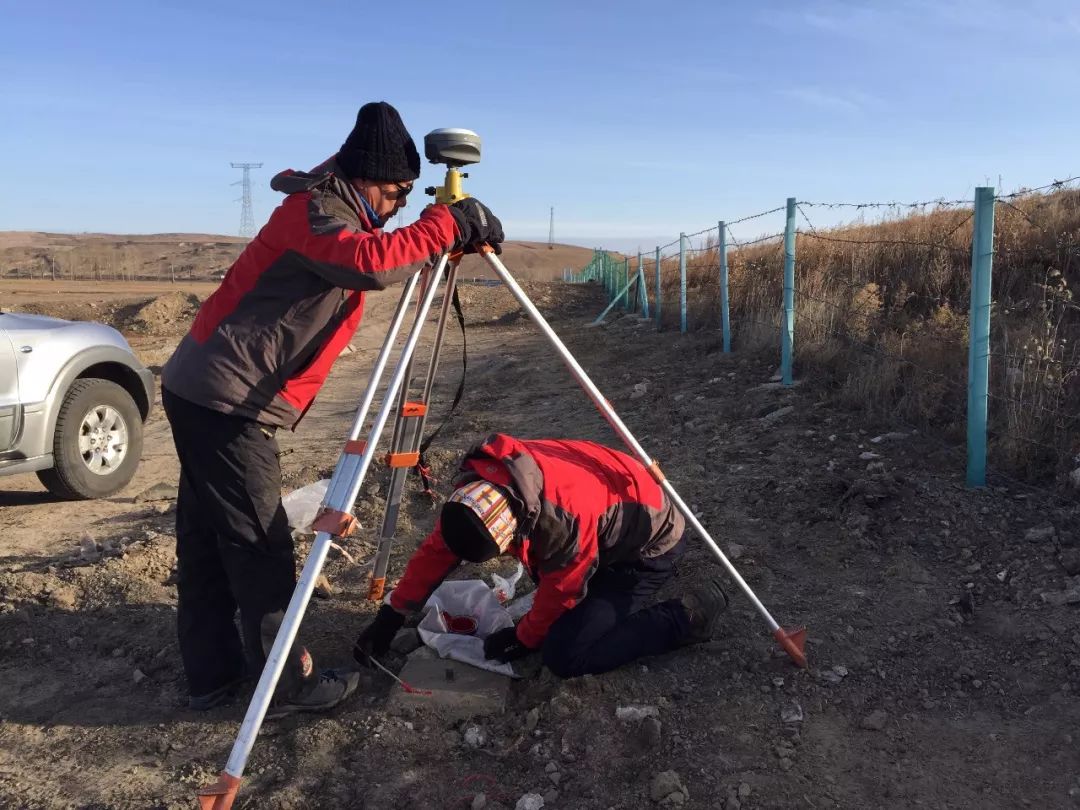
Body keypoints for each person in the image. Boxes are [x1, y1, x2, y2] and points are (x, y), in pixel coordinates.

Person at [160, 101, 504, 715]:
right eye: (398, 192)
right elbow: (370, 265)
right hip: (225, 398)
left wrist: (434, 236)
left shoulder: (337, 206)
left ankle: (212, 674)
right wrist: (445, 226)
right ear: (369, 179)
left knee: (210, 538)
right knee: (259, 546)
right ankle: (287, 687)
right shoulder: (315, 211)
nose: (399, 205)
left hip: (208, 389)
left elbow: (374, 257)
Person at [354, 433, 728, 677]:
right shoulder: (482, 490)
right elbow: (439, 549)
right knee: (555, 602)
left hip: (648, 546)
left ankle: (684, 618)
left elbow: (563, 589)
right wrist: (392, 613)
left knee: (565, 655)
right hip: (607, 518)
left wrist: (524, 638)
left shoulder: (562, 522)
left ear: (514, 531)